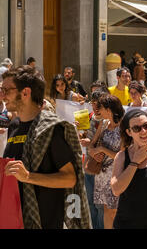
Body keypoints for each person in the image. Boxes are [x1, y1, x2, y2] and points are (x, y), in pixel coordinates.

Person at [2, 65, 90, 229]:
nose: (2, 95)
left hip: (44, 222)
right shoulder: (14, 125)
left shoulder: (51, 128)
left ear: (26, 93)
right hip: (15, 220)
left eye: (7, 90)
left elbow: (70, 179)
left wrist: (28, 176)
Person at [91, 94, 124, 229]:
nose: (99, 111)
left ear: (109, 110)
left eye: (101, 108)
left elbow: (122, 155)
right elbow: (92, 145)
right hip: (101, 173)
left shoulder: (123, 127)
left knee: (115, 211)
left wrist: (102, 150)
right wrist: (94, 153)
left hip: (116, 173)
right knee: (106, 210)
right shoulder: (103, 124)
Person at [80, 89, 108, 229]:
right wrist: (81, 137)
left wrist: (89, 144)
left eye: (99, 105)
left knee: (101, 205)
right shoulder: (88, 117)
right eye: (94, 104)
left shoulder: (108, 121)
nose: (96, 108)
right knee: (90, 201)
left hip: (104, 168)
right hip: (90, 165)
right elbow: (85, 137)